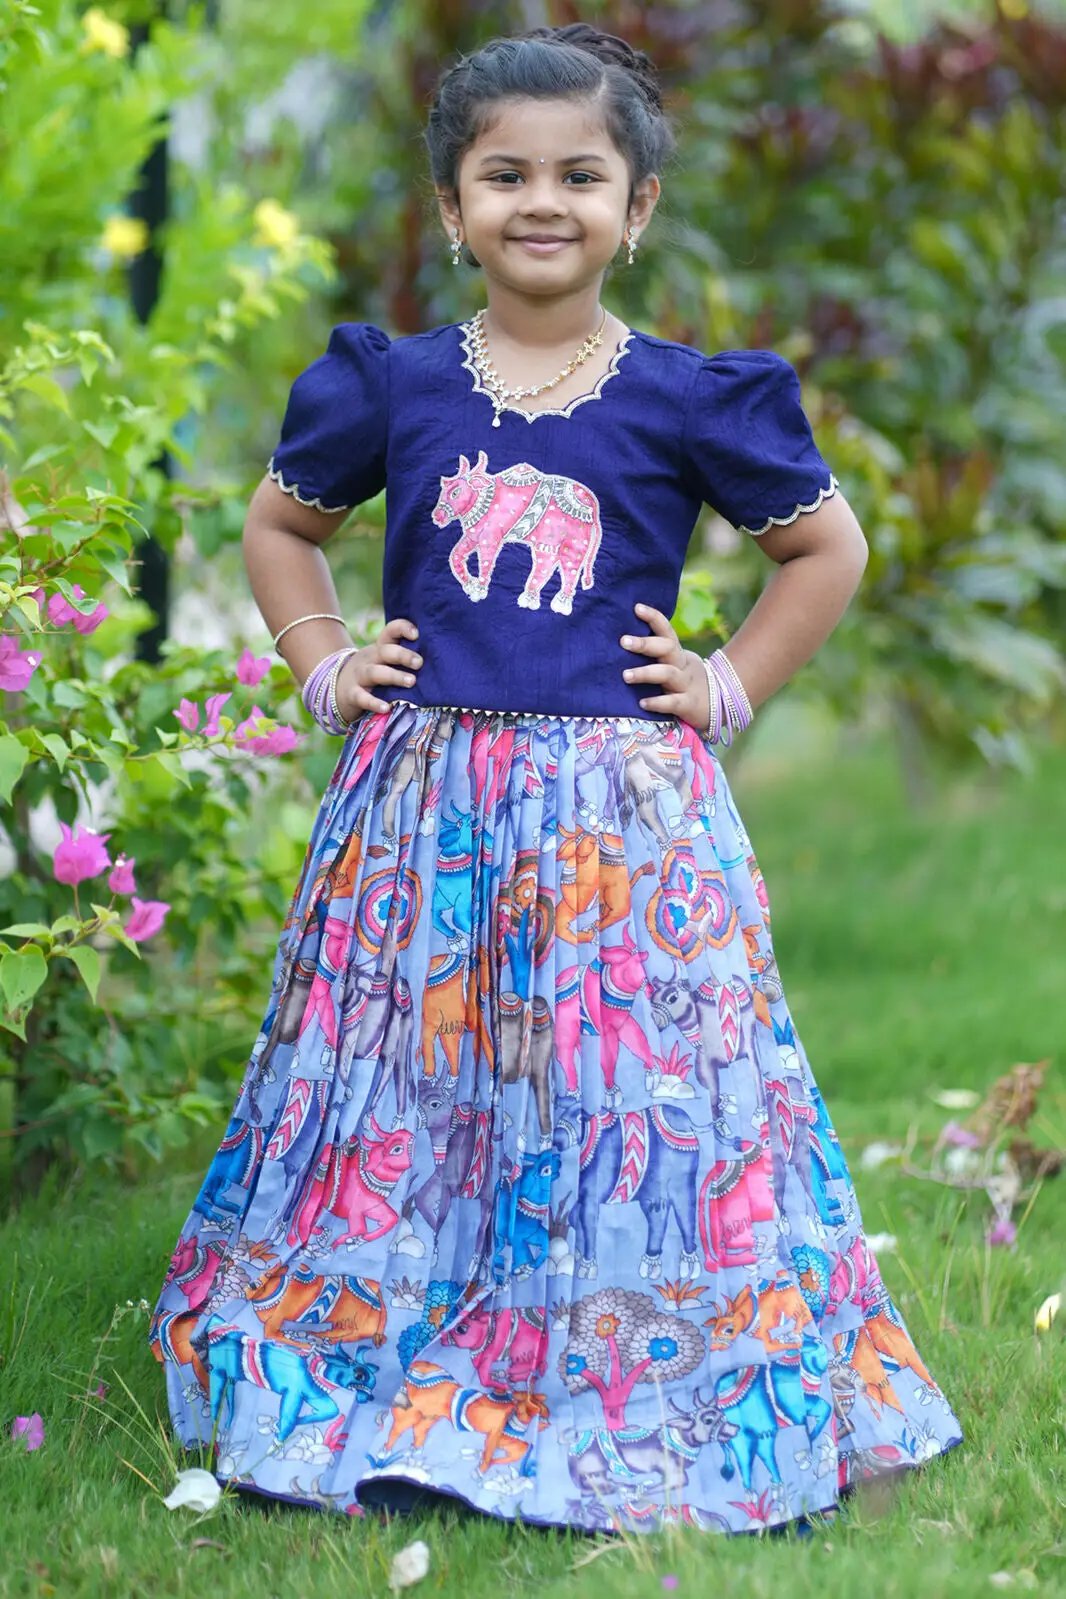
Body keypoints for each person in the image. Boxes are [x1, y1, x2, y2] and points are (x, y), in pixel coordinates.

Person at [149, 22, 963, 1537]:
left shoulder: (687, 395)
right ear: (450, 209)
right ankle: (400, 1321)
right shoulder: (388, 385)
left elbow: (822, 549)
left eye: (580, 175)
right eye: (502, 173)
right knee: (418, 1078)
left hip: (620, 830)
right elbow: (280, 530)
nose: (542, 200)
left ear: (635, 209)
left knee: (613, 1086)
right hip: (424, 818)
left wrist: (723, 684)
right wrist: (326, 664)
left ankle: (610, 1338)